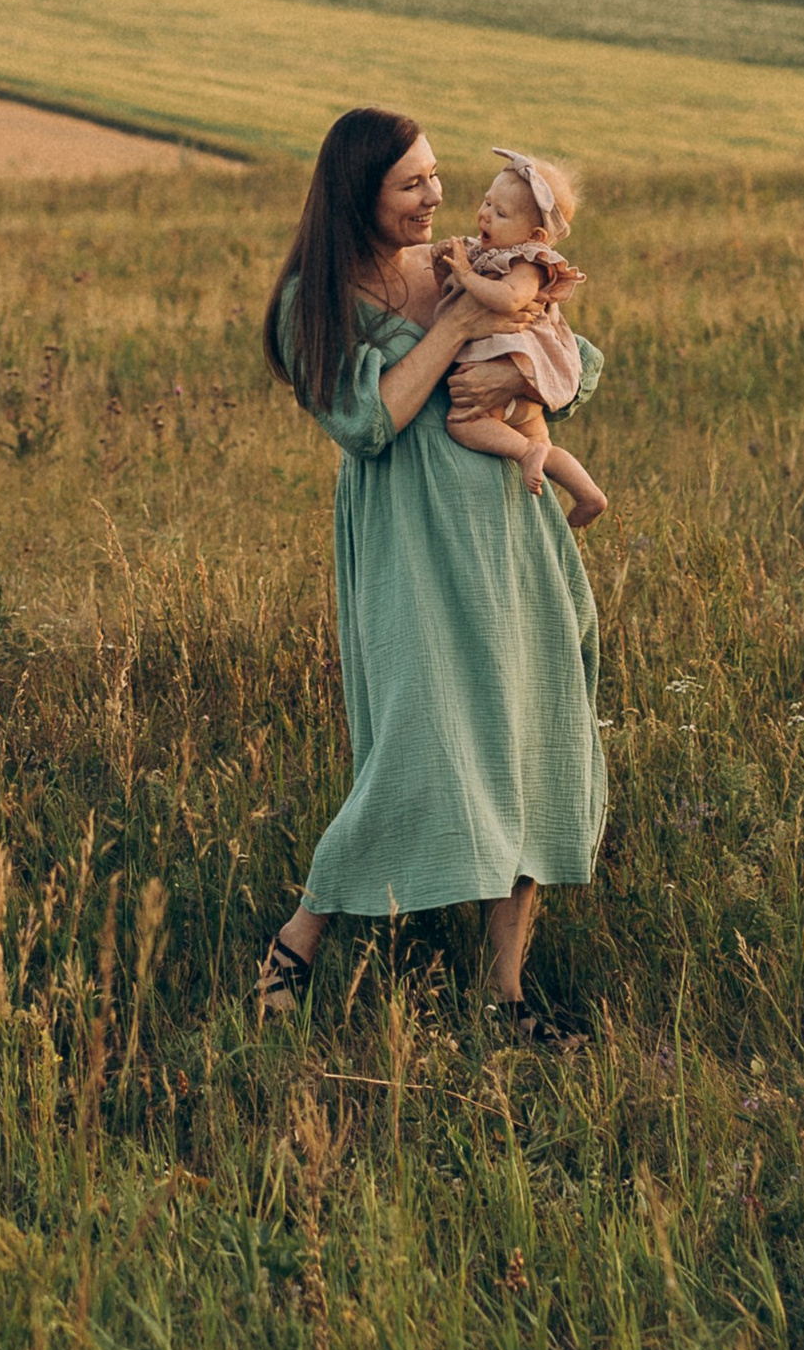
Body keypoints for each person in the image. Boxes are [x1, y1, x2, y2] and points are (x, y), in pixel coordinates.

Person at [259, 105, 605, 1036]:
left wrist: (521, 382)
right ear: (357, 195)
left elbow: (581, 356)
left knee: (531, 740)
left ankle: (505, 995)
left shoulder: (468, 256)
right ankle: (299, 939)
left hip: (511, 533)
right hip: (410, 548)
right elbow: (367, 424)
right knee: (415, 748)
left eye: (438, 175)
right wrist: (455, 331)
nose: (437, 197)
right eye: (412, 183)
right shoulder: (314, 301)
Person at [437, 147, 608, 529]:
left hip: (507, 363)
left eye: (500, 213)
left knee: (462, 424)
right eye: (486, 202)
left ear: (535, 236)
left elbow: (509, 299)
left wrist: (466, 276)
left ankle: (525, 451)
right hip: (516, 382)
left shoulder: (528, 262)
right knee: (546, 448)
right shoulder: (490, 251)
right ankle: (588, 494)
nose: (484, 214)